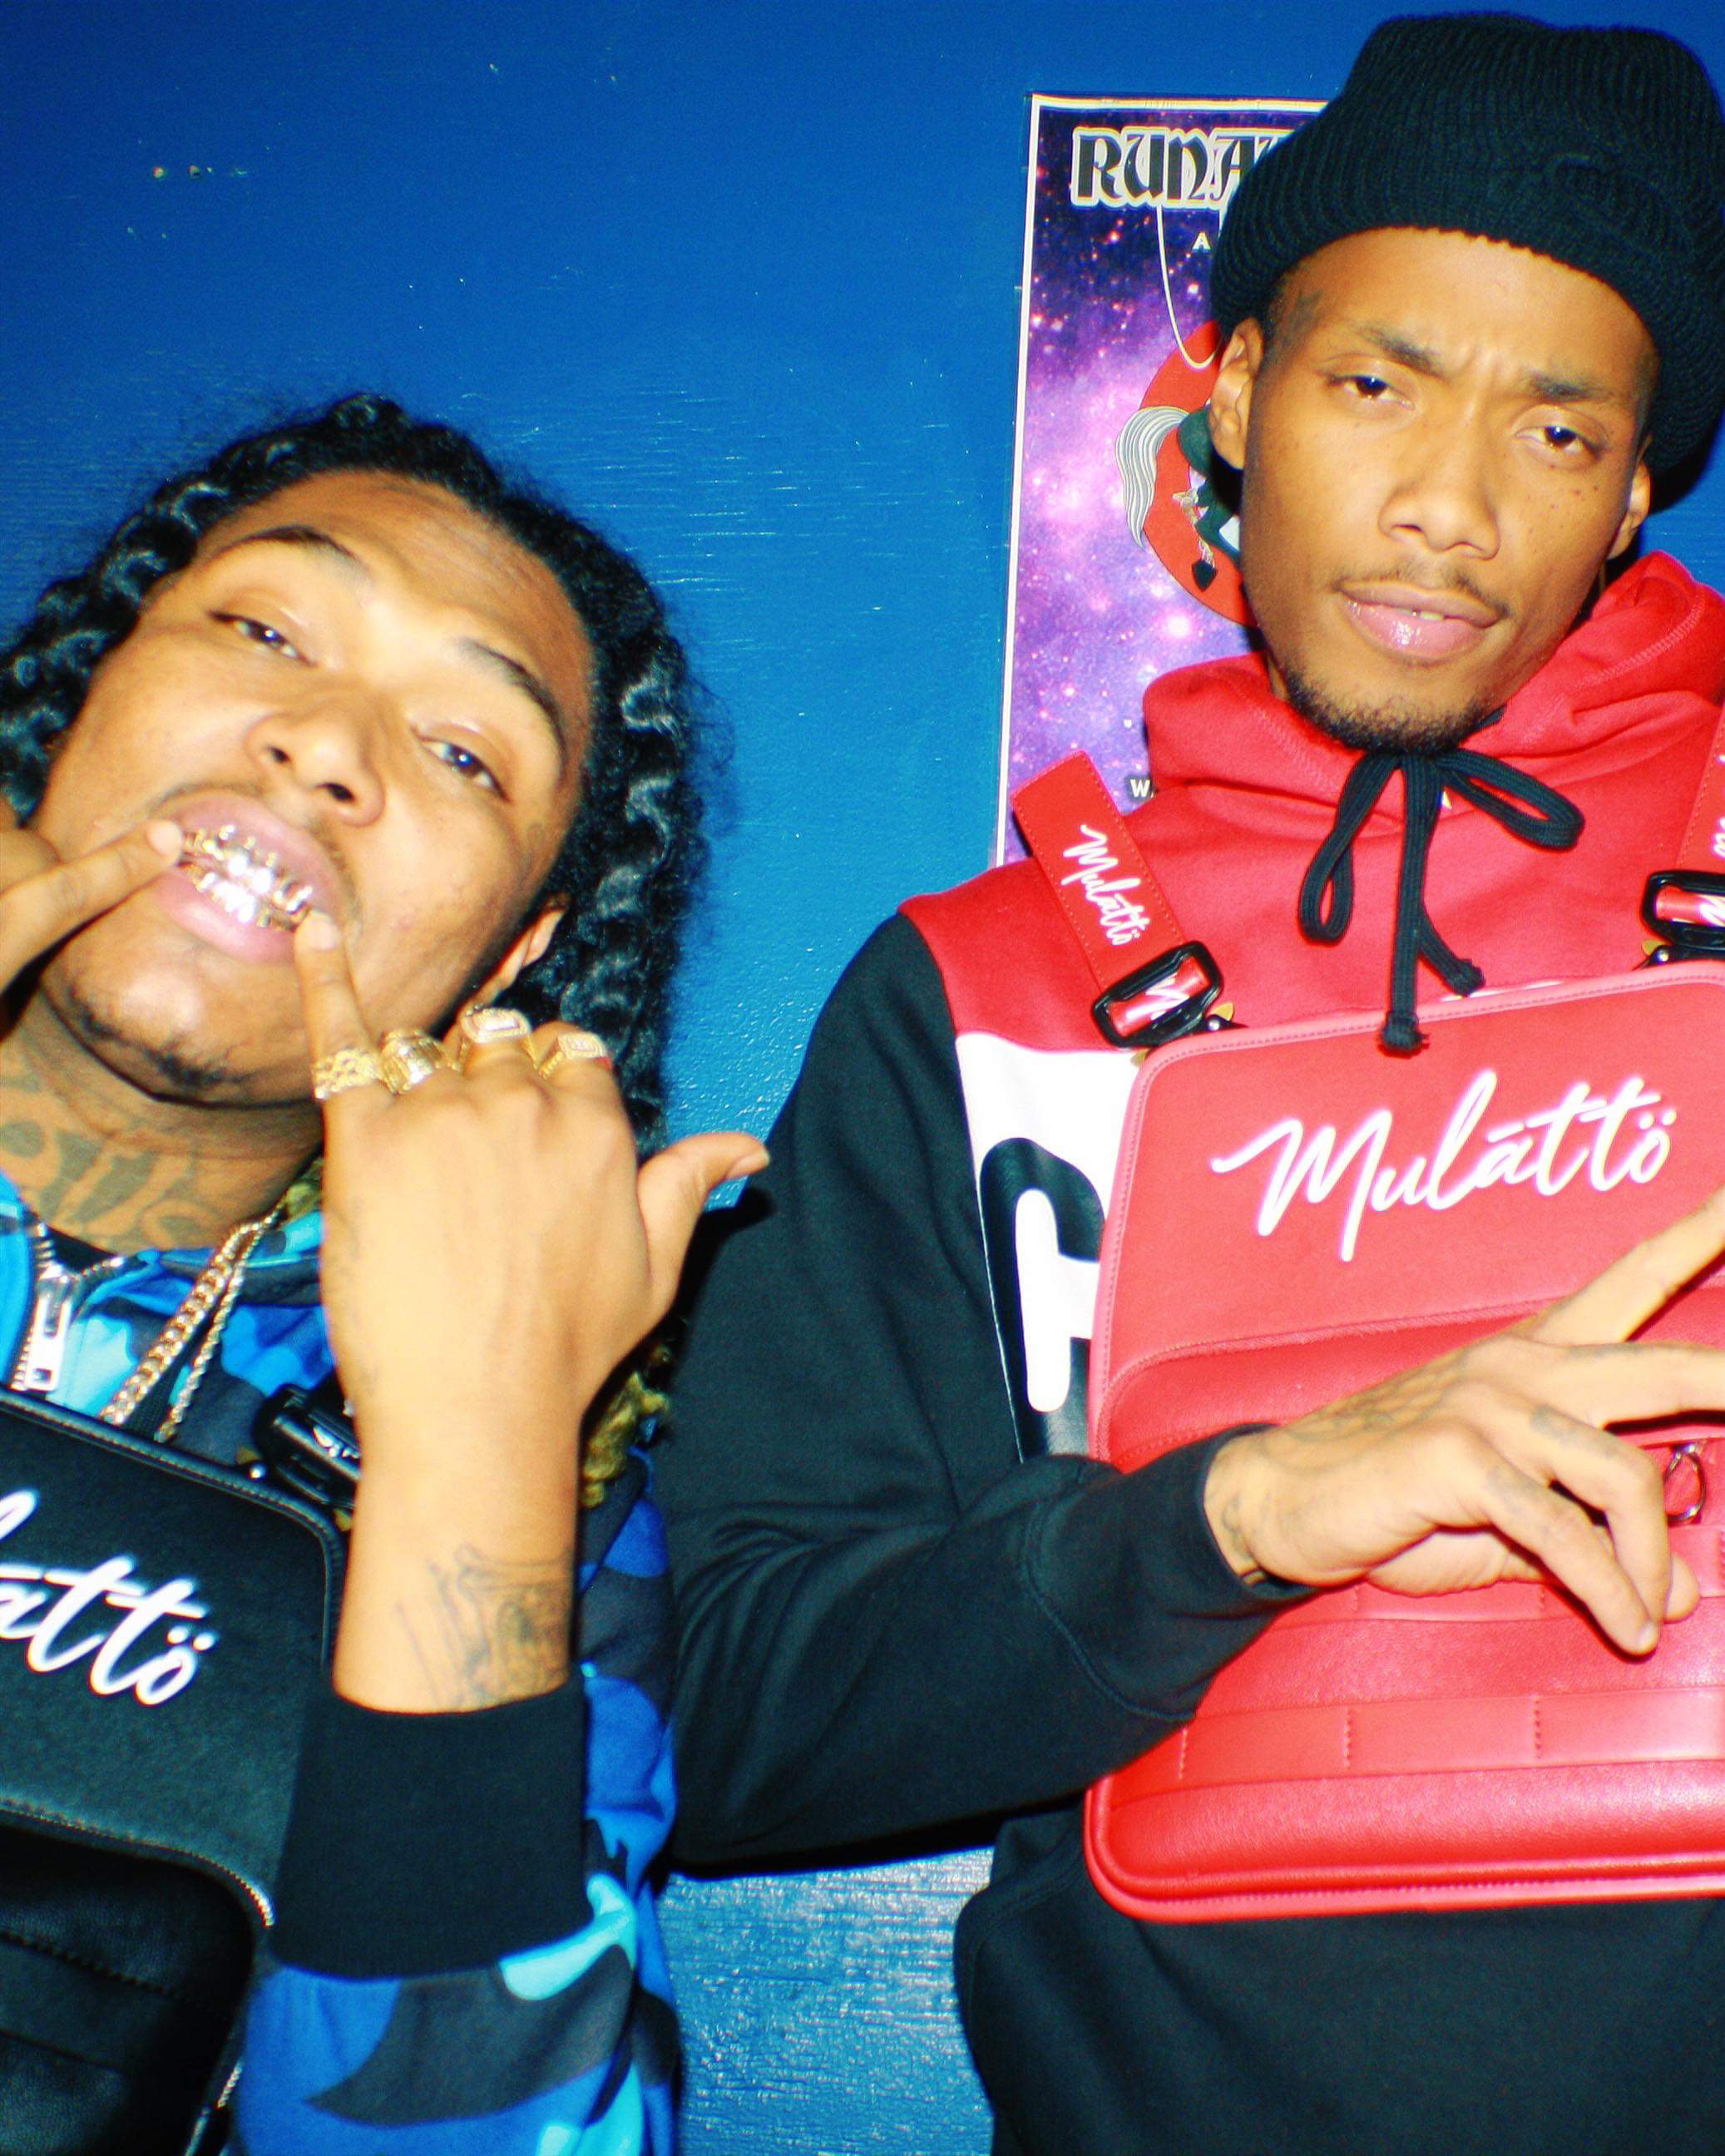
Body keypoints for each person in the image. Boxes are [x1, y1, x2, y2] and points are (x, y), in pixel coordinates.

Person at [660, 17, 1725, 2155]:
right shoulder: (975, 987)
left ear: (1628, 492)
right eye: (1372, 384)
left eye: (1552, 427)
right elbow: (731, 1722)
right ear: (1228, 395)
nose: (1443, 506)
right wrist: (1228, 1514)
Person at [0, 392, 763, 2152]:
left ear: (511, 954)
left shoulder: (531, 1478)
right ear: (85, 696)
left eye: (465, 752)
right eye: (266, 630)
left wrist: (473, 1457)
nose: (328, 749)